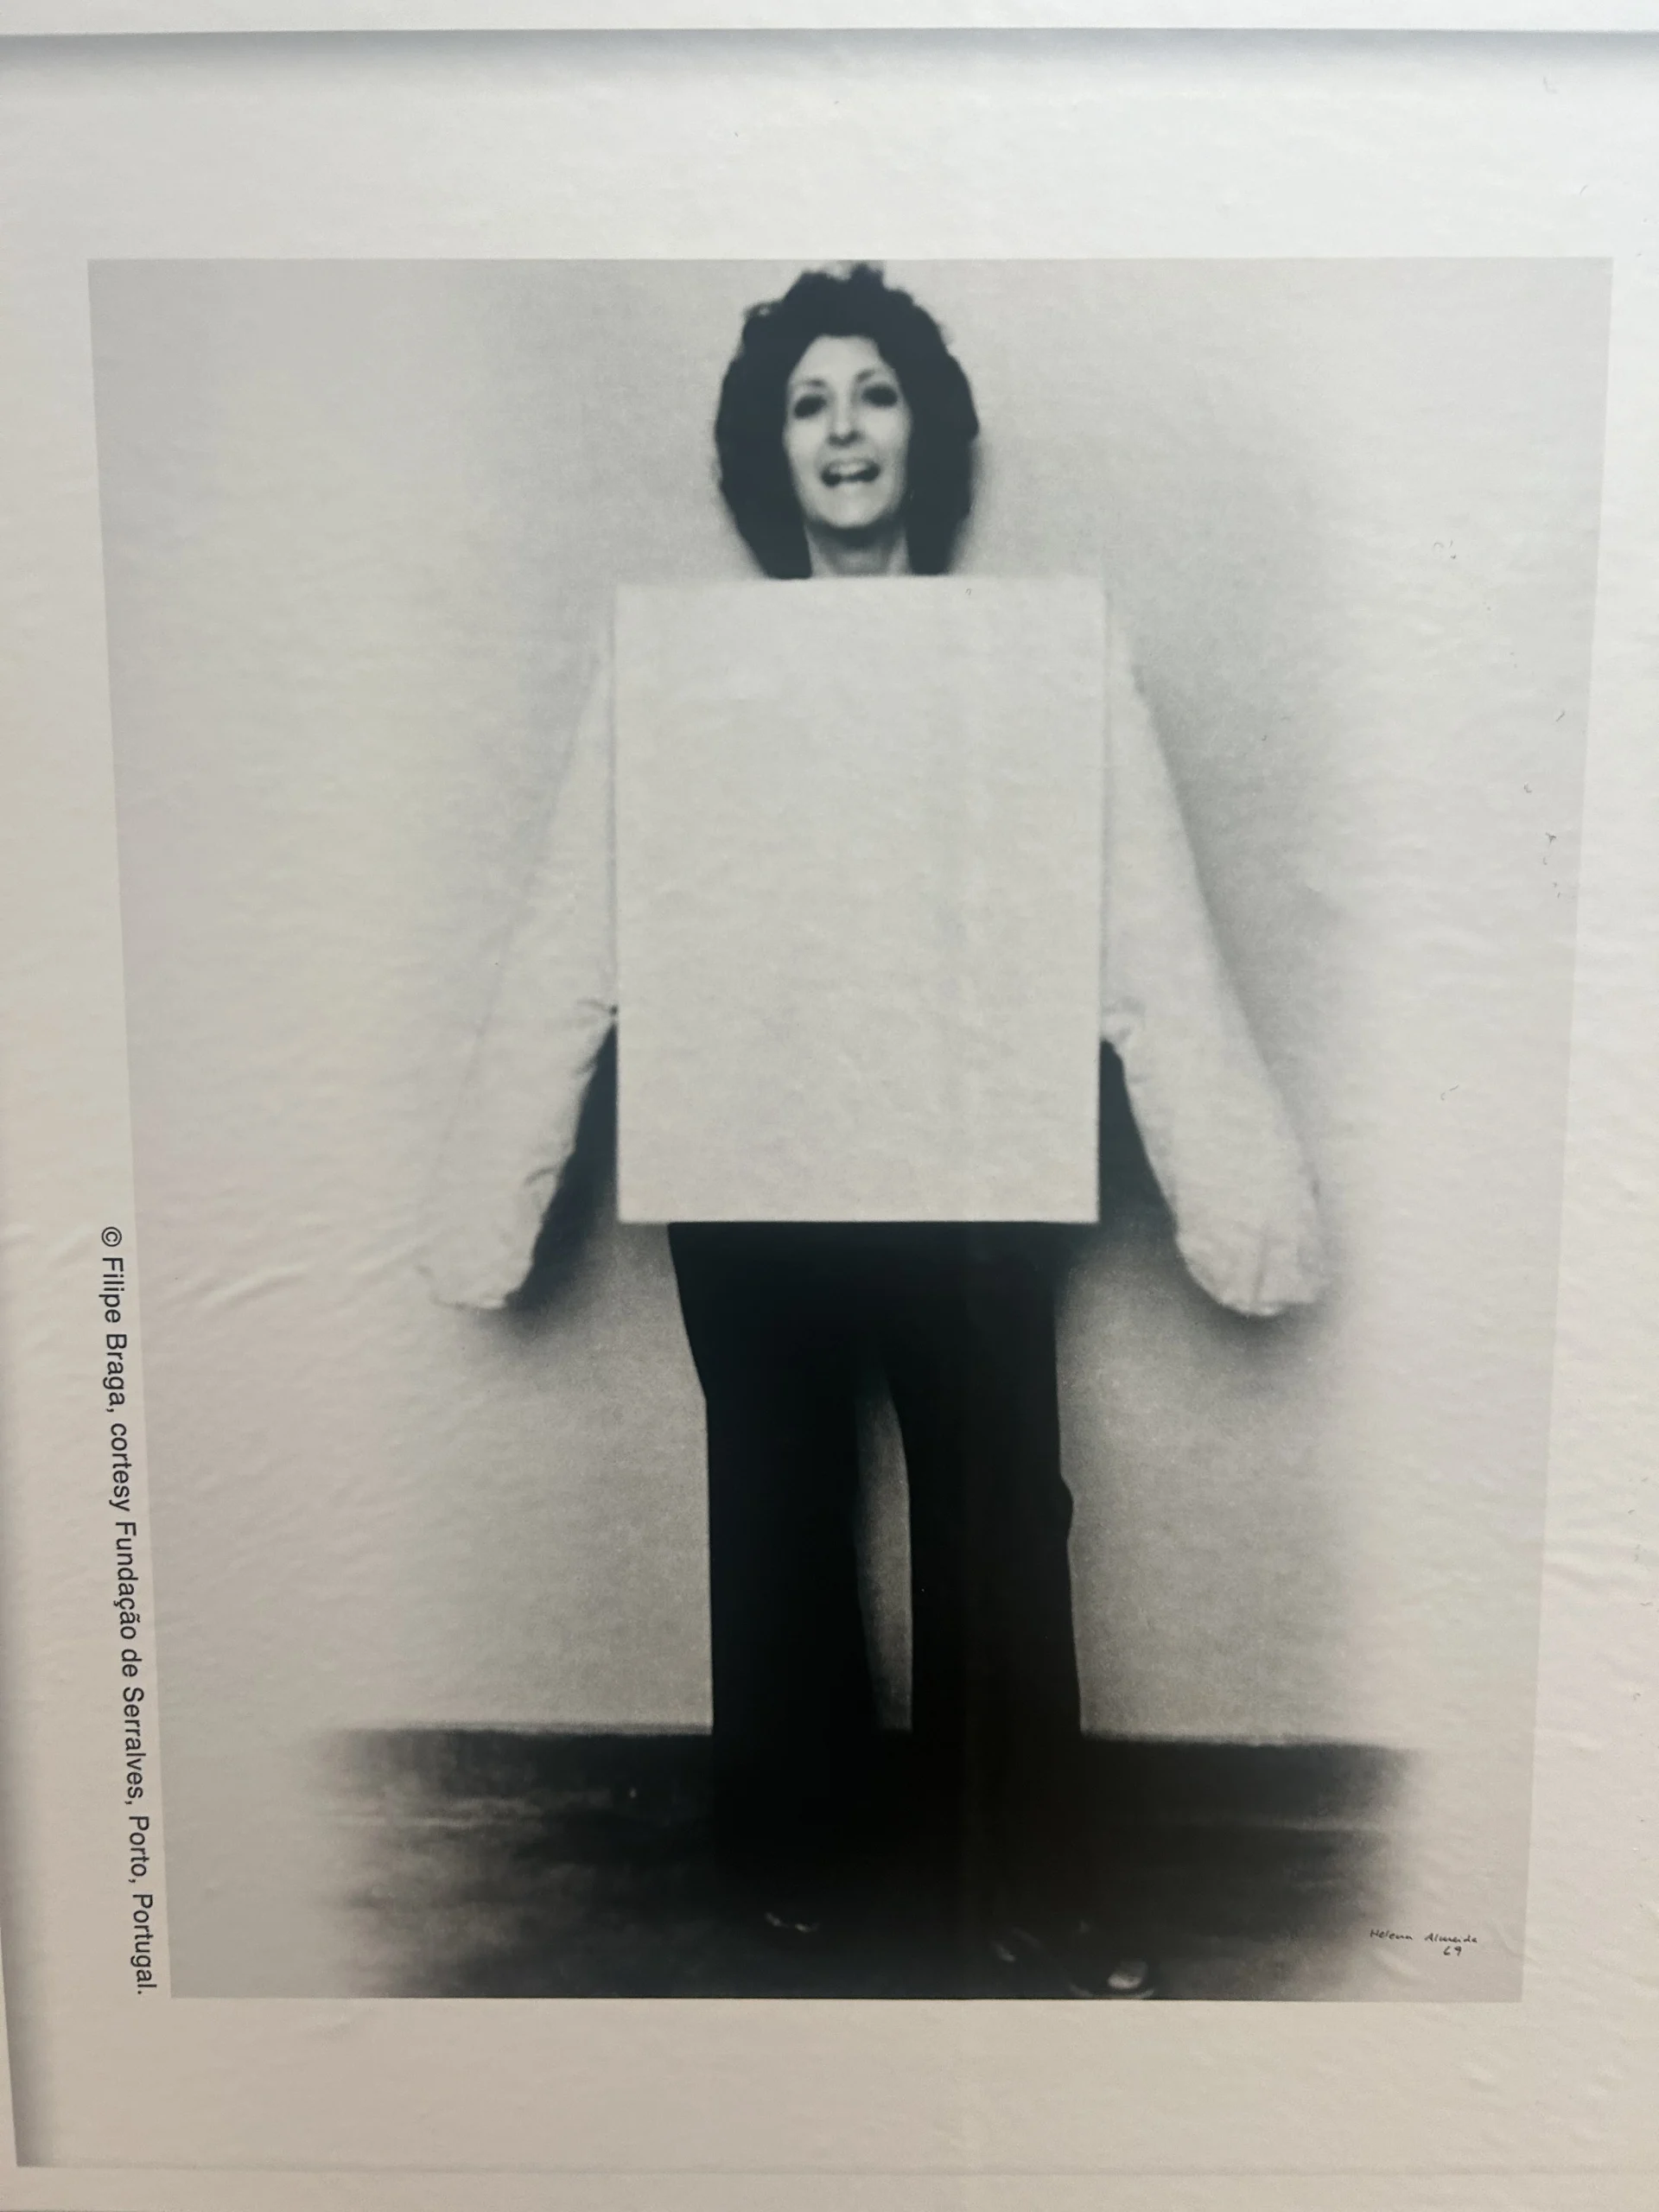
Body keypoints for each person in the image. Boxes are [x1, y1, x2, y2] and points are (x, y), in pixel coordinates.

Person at [421, 265, 1325, 1999]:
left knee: (1000, 1513)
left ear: (925, 433)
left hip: (977, 1163)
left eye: (876, 393)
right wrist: (489, 1200)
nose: (844, 429)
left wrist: (1241, 1198)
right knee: (775, 1506)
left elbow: (1151, 930)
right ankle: (800, 1865)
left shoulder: (1042, 657)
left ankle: (1033, 1876)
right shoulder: (677, 668)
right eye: (809, 402)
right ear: (772, 452)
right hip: (747, 1164)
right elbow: (569, 934)